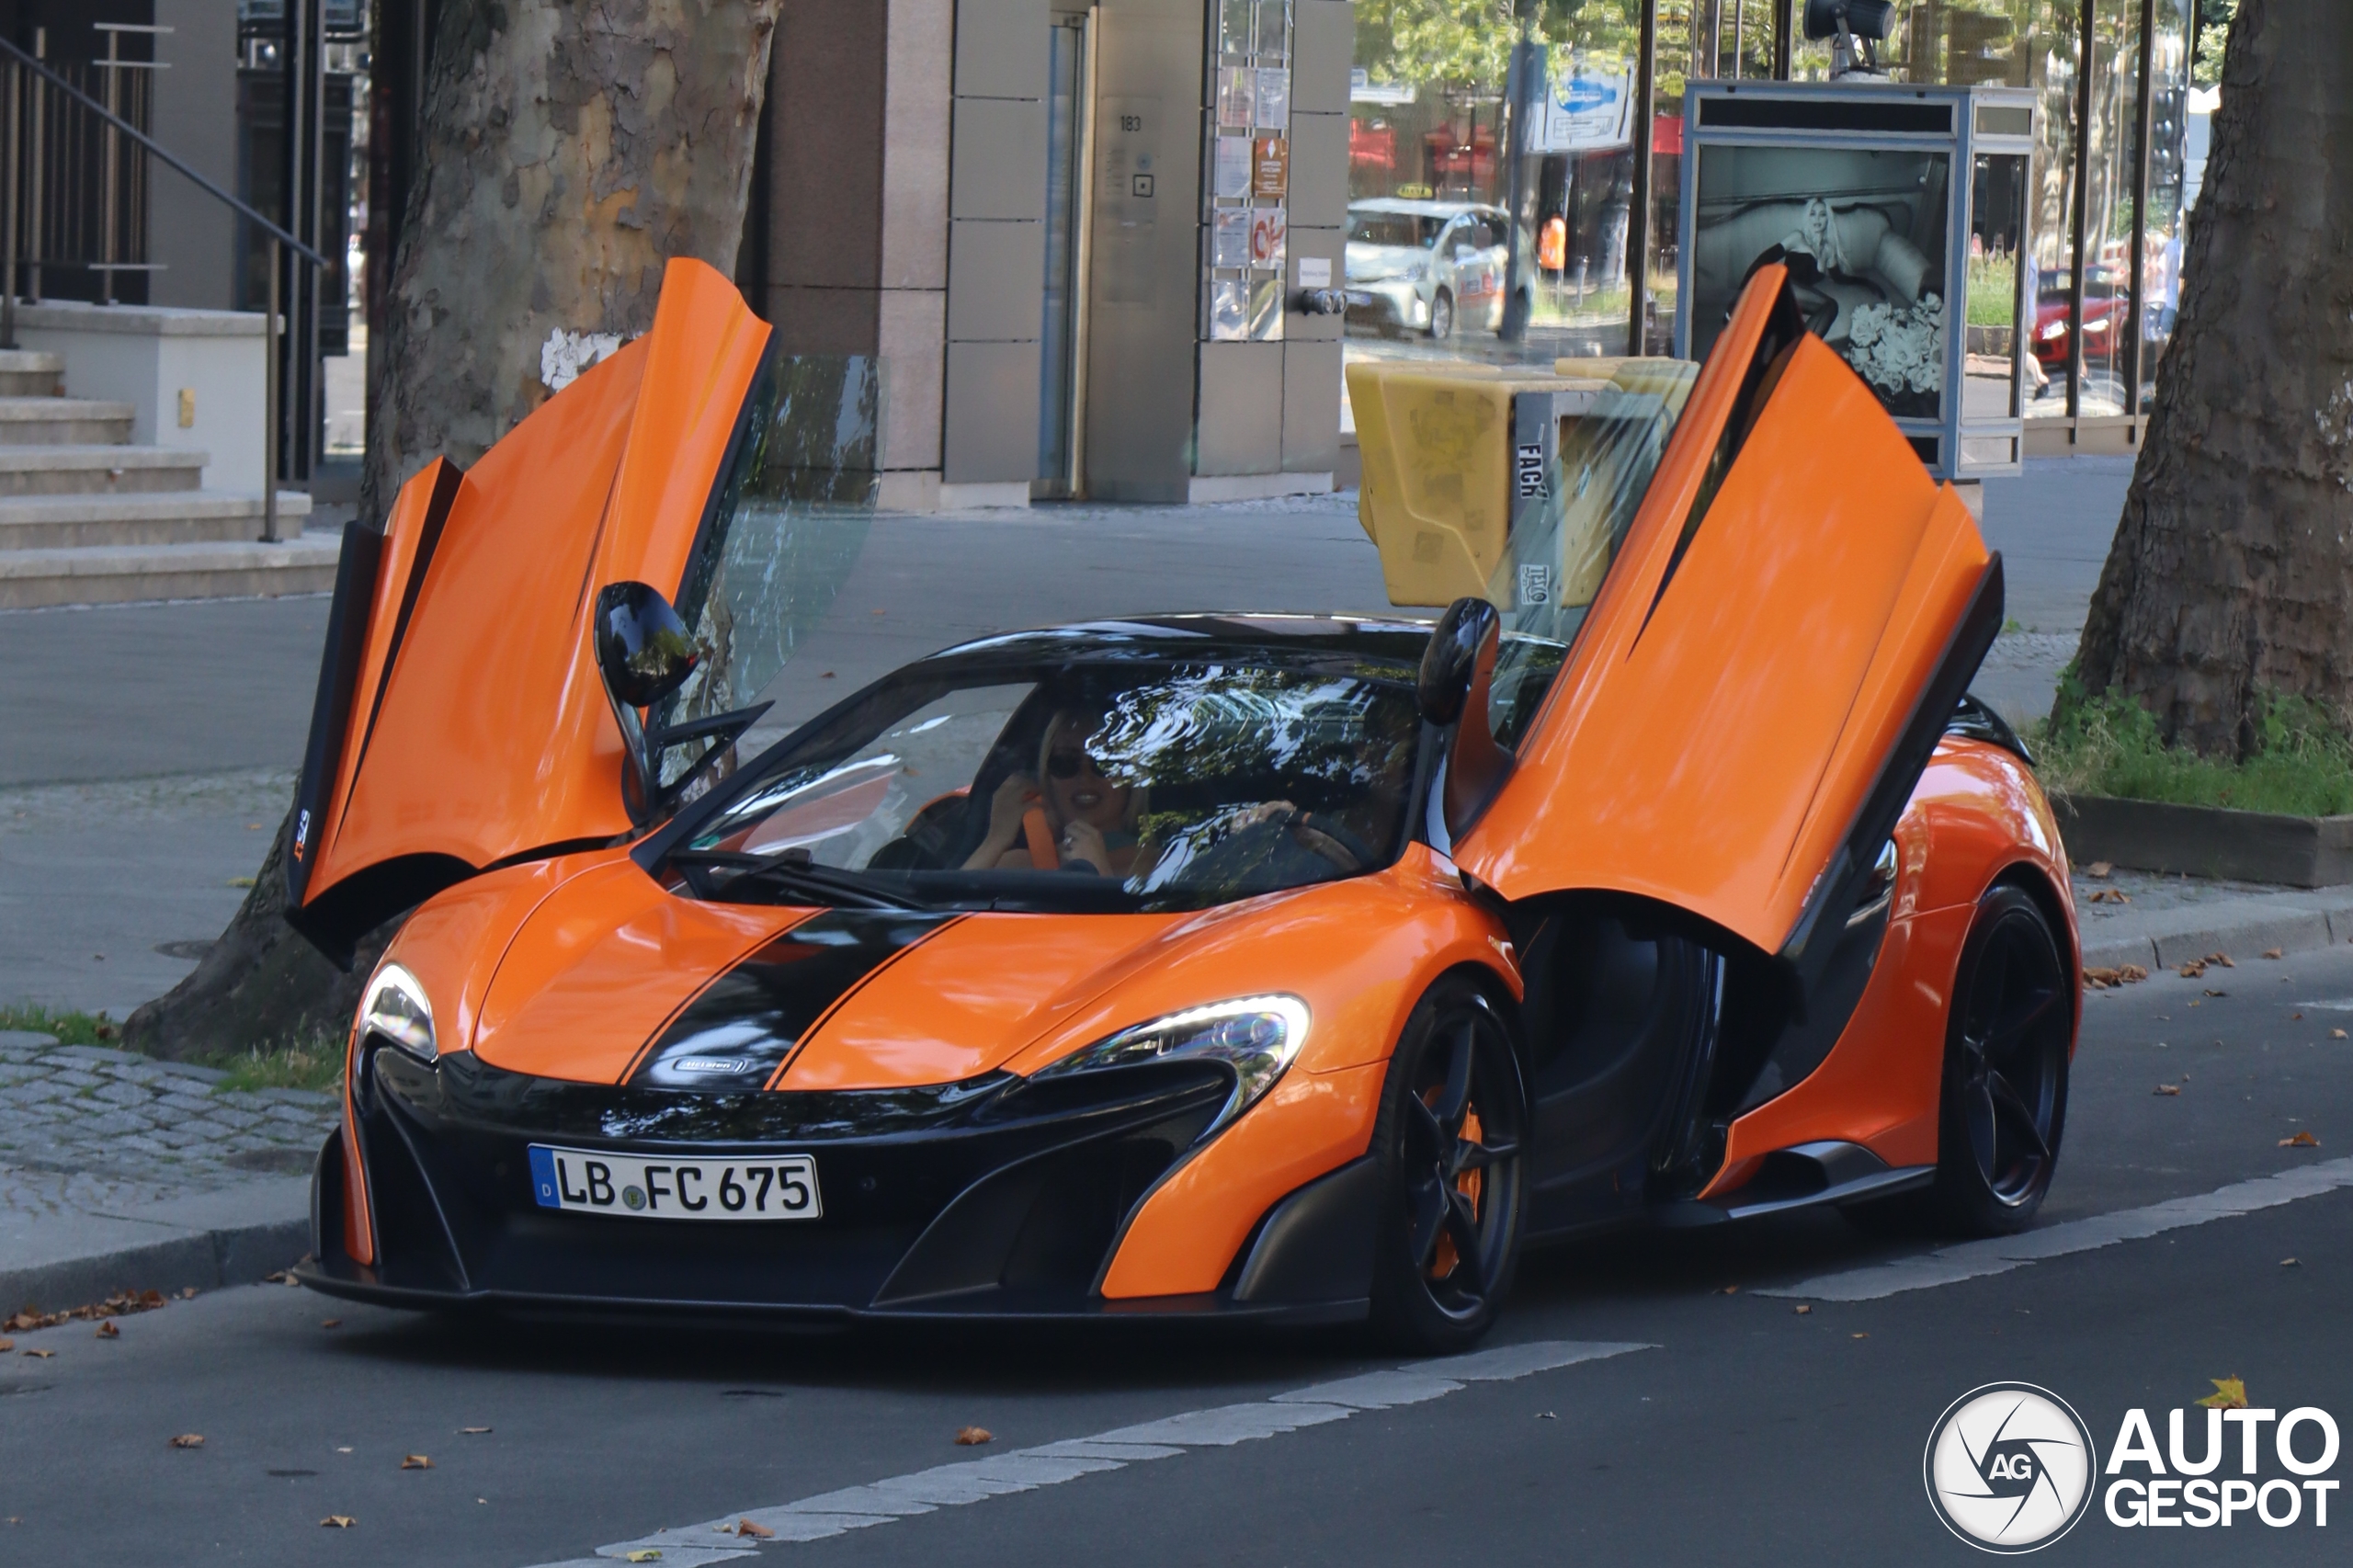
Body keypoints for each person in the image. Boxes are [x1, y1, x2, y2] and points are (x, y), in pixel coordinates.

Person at [962, 708, 1151, 878]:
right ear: (1048, 779)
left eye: (1104, 763)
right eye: (1065, 763)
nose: (1084, 778)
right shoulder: (1017, 864)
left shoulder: (1164, 868)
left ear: (1130, 778)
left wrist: (1098, 872)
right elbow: (952, 907)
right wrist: (995, 840)